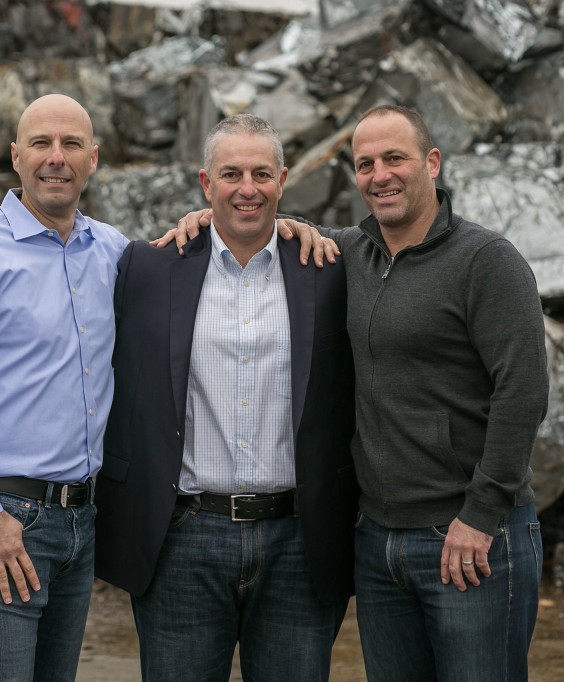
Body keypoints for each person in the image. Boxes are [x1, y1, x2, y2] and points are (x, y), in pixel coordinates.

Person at [0, 94, 332, 681]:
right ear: (15, 157)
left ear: (94, 159)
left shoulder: (114, 254)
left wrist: (264, 223)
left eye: (71, 145)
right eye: (41, 144)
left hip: (79, 520)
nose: (57, 159)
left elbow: (226, 227)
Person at [172, 104, 548, 681]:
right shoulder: (346, 254)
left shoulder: (487, 262)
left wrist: (481, 515)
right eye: (365, 163)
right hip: (377, 544)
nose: (380, 175)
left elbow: (523, 392)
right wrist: (204, 221)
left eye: (395, 158)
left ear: (432, 162)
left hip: (470, 537)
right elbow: (258, 221)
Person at [93, 114, 358, 682]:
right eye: (230, 174)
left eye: (262, 174)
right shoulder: (147, 266)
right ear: (205, 184)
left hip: (298, 539)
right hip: (183, 537)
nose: (247, 188)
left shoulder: (328, 266)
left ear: (283, 180)